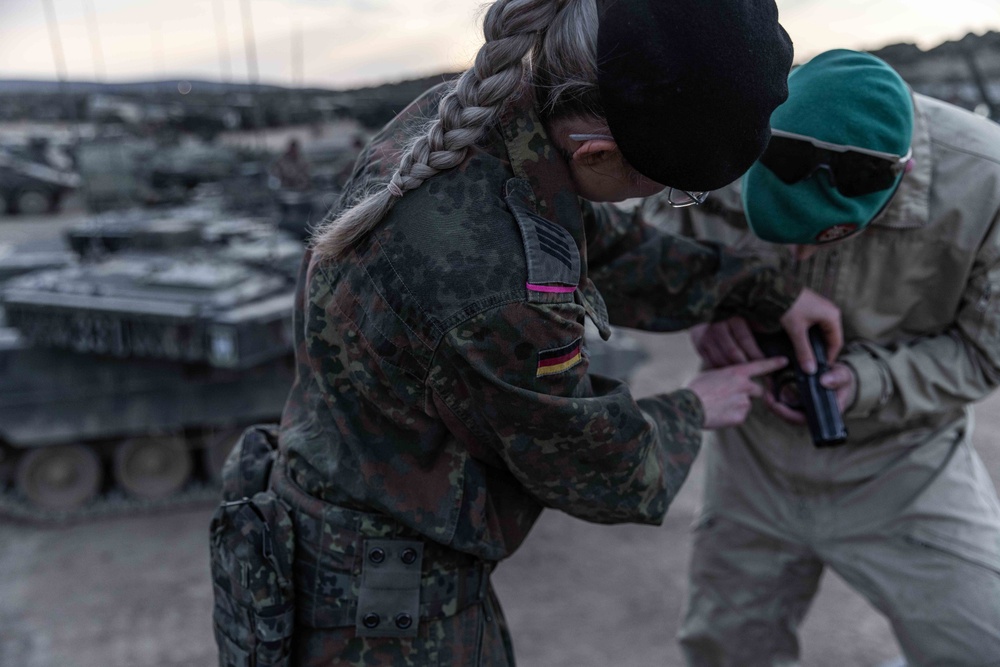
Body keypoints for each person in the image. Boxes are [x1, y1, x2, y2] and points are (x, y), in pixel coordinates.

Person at [209, 2, 844, 666]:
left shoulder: (485, 118)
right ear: (595, 150)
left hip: (346, 532)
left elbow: (599, 244)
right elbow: (586, 464)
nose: (660, 200)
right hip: (385, 612)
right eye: (670, 189)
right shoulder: (491, 283)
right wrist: (697, 404)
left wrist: (763, 290)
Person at [647, 49, 1000, 666]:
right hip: (753, 459)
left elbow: (983, 353)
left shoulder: (988, 182)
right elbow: (649, 237)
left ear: (903, 173)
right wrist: (707, 305)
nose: (799, 262)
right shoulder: (723, 139)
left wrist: (864, 383)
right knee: (725, 651)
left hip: (906, 463)